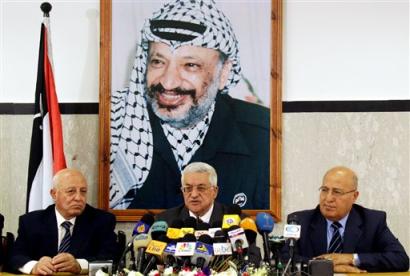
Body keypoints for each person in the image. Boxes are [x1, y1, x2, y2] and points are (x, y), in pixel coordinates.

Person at [109, 0, 270, 210]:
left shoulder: (263, 134)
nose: (168, 82)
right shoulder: (119, 124)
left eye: (190, 65)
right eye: (158, 61)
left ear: (224, 73)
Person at [285, 166, 409, 273]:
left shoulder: (373, 221)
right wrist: (328, 266)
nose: (328, 198)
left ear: (354, 196)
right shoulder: (299, 221)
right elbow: (284, 258)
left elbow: (400, 259)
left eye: (337, 192)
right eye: (324, 190)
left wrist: (351, 258)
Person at [10, 169, 118, 275]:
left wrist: (80, 265)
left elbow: (111, 259)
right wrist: (34, 266)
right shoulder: (31, 222)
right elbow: (15, 256)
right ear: (54, 194)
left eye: (83, 191)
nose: (78, 198)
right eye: (71, 191)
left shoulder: (102, 221)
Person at [156, 162, 232, 225]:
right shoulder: (164, 221)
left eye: (201, 188)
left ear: (215, 192)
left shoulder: (234, 220)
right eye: (188, 188)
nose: (194, 195)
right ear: (183, 191)